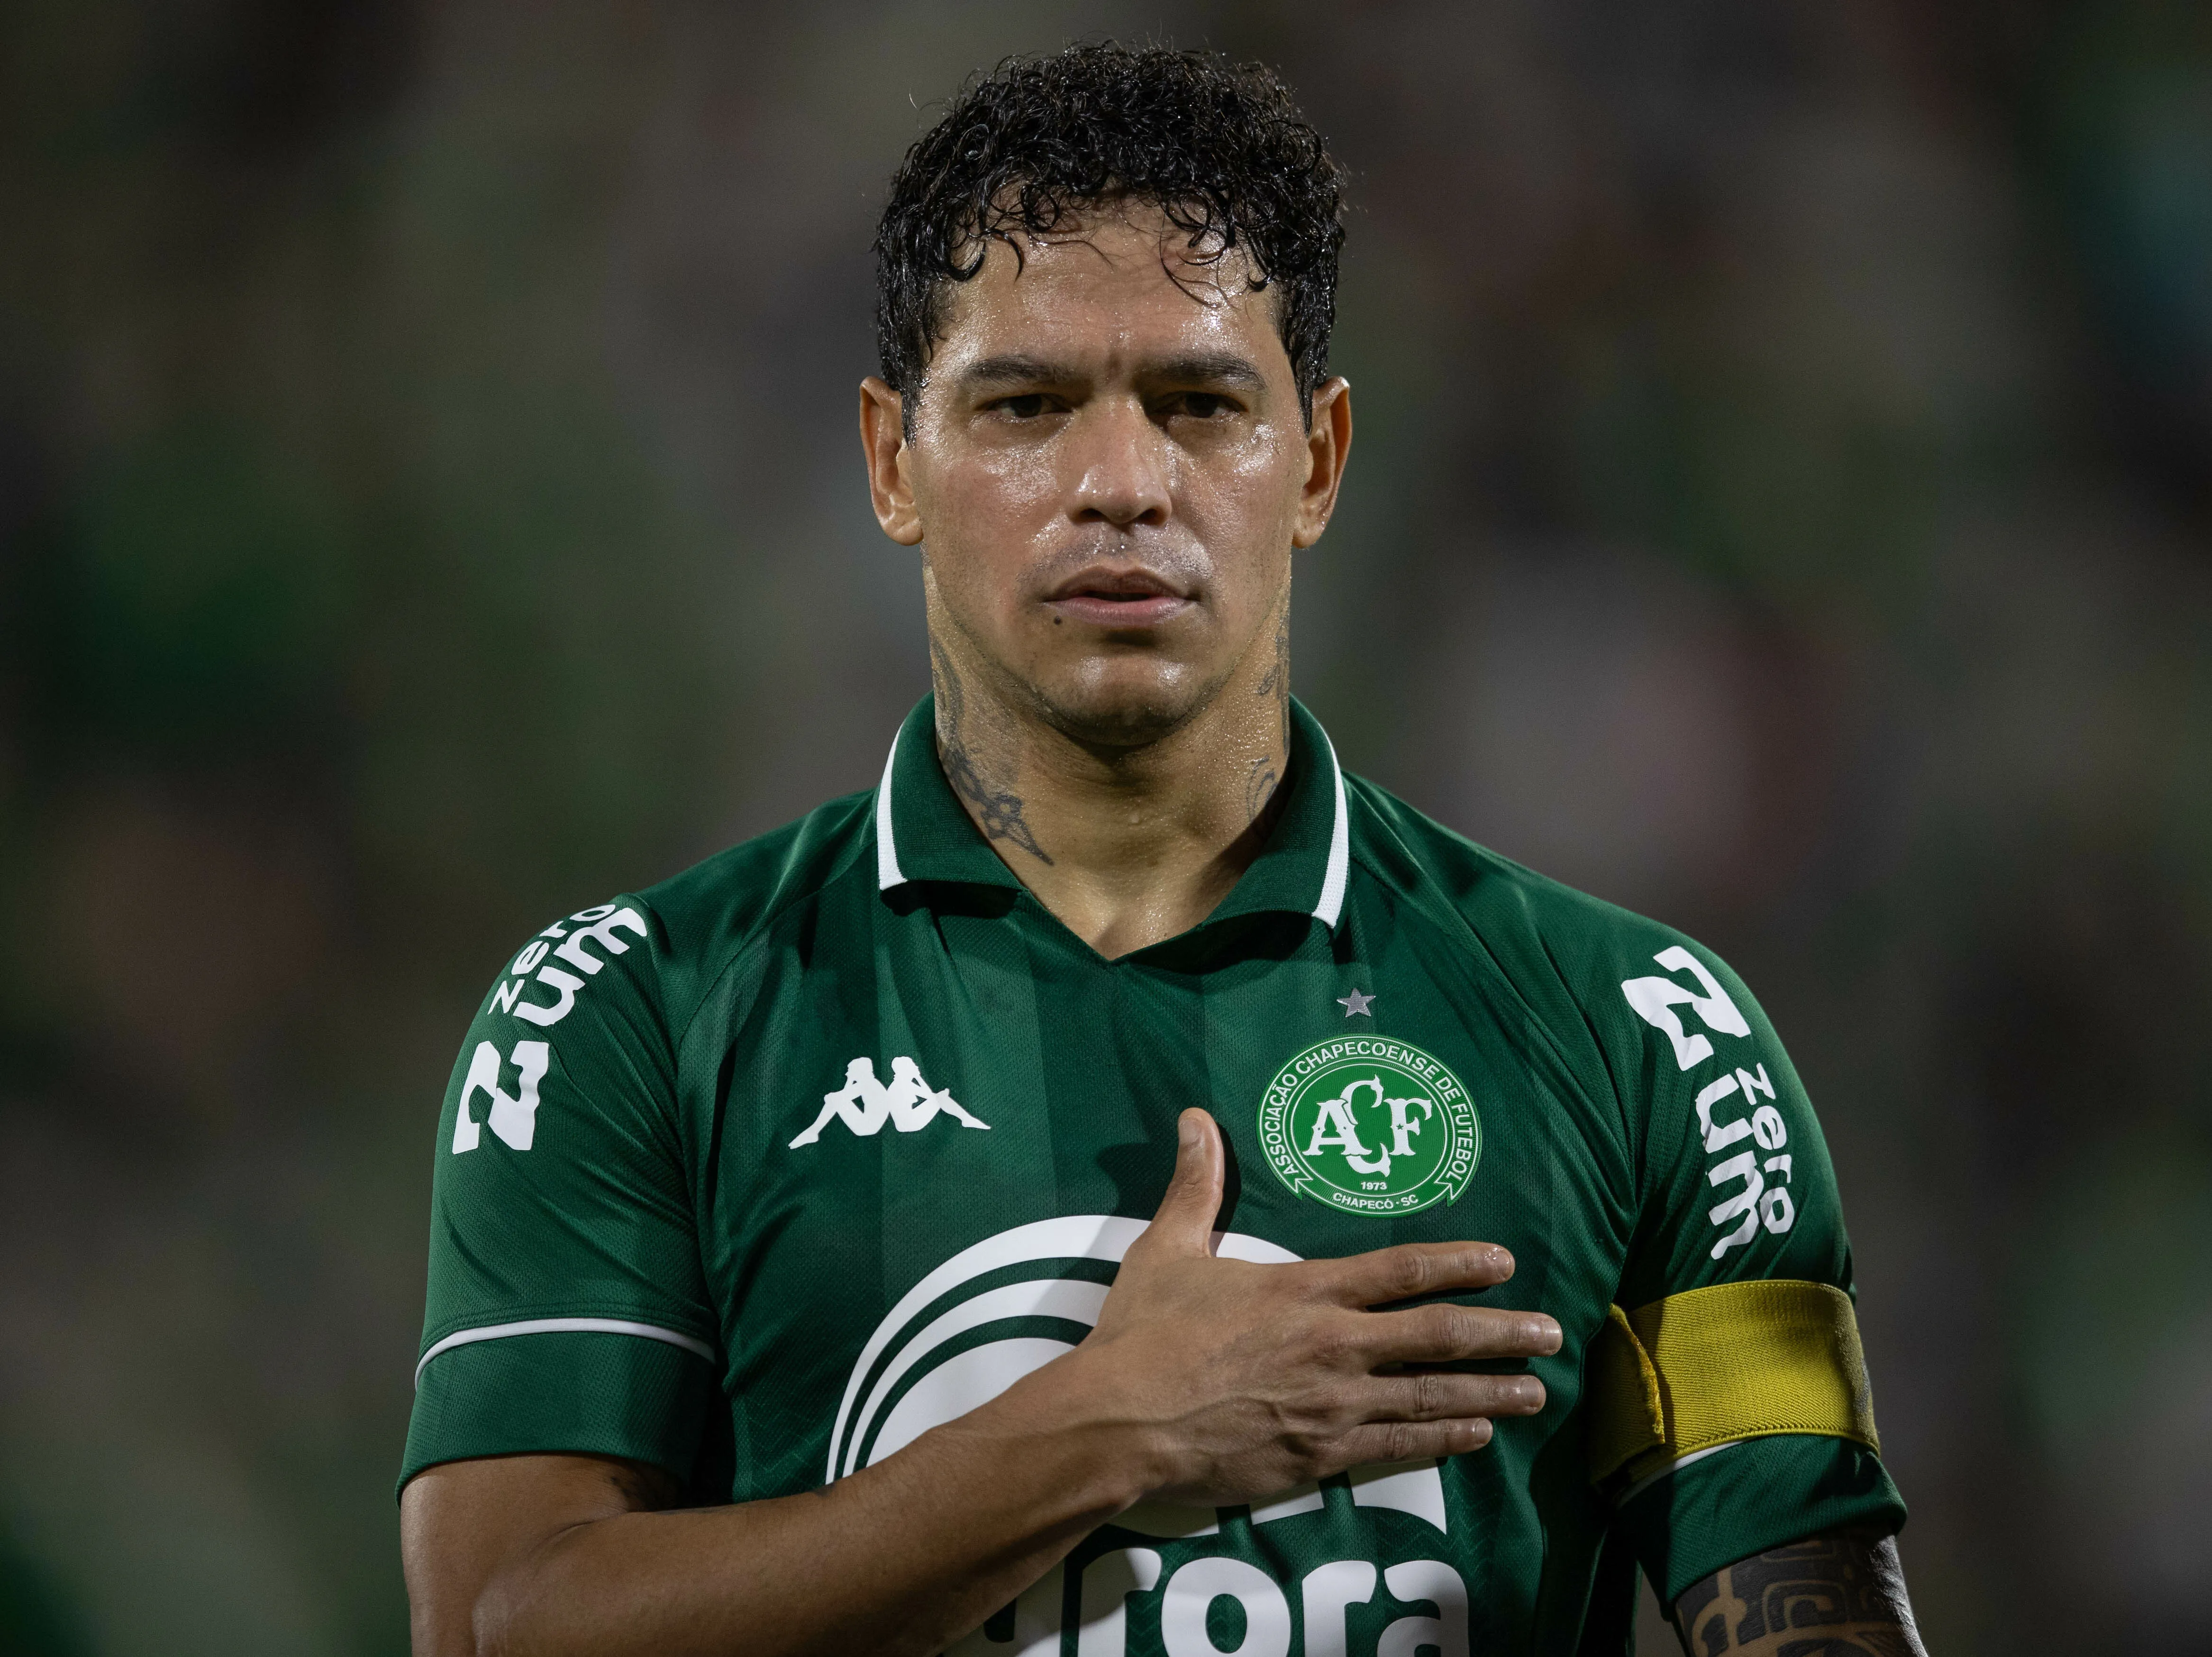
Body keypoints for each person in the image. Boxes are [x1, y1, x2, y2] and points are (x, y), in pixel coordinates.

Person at [398, 44, 1926, 1657]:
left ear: (1320, 458)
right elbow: (502, 1629)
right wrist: (1114, 1427)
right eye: (1025, 406)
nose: (1123, 485)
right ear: (890, 462)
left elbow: (1811, 1600)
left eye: (1200, 404)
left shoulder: (1648, 1040)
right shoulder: (631, 1018)